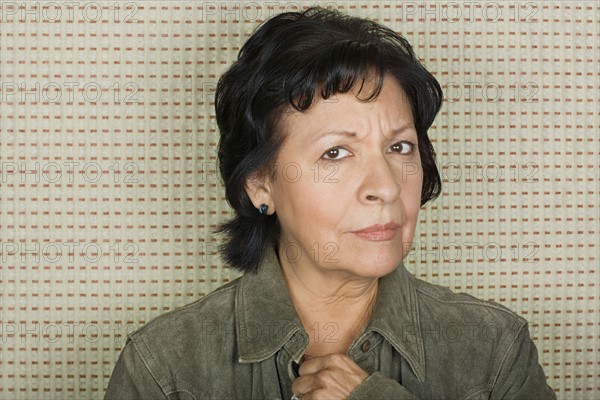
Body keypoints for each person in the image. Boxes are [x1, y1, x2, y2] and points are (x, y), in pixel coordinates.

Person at [105, 7, 557, 399]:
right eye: (335, 153)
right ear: (260, 184)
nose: (384, 186)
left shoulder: (495, 349)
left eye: (400, 147)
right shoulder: (164, 367)